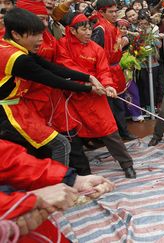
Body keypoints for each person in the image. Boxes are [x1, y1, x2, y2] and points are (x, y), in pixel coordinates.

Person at [0, 8, 104, 165]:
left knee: (33, 152)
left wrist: (88, 77)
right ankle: (60, 182)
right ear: (16, 34)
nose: (41, 40)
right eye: (35, 35)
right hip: (8, 113)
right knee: (60, 144)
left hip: (17, 108)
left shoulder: (9, 45)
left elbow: (51, 67)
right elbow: (53, 79)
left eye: (41, 34)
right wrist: (89, 88)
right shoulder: (17, 58)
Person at [55, 13, 137, 178]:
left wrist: (108, 85)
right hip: (71, 96)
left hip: (96, 97)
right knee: (73, 134)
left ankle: (127, 164)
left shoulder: (96, 48)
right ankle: (82, 171)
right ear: (72, 30)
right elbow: (66, 67)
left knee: (109, 129)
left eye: (89, 29)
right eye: (83, 29)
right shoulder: (62, 45)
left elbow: (104, 71)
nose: (88, 33)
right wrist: (88, 84)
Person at [0, 139, 115, 241]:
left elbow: (8, 159)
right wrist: (22, 202)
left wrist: (71, 179)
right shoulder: (29, 203)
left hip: (35, 226)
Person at [91, 0, 136, 141]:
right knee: (109, 107)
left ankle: (123, 132)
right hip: (106, 71)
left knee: (118, 105)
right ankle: (111, 137)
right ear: (101, 12)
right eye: (110, 12)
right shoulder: (100, 29)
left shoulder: (112, 26)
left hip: (115, 69)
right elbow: (95, 53)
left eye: (116, 11)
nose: (115, 14)